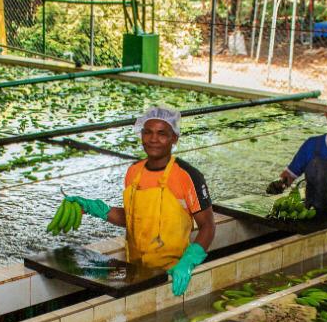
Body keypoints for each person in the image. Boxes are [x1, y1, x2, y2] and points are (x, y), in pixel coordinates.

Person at [61, 106, 216, 296]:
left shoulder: (188, 175)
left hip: (173, 274)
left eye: (162, 134)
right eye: (148, 132)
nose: (153, 139)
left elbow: (207, 225)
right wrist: (97, 209)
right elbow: (133, 217)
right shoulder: (134, 172)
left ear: (174, 138)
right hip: (136, 272)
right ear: (141, 134)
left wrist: (188, 263)